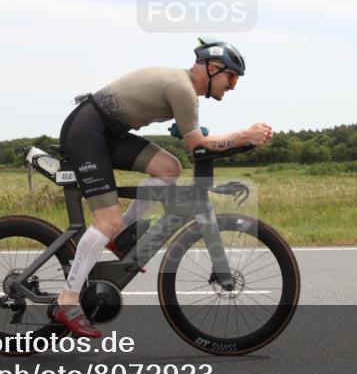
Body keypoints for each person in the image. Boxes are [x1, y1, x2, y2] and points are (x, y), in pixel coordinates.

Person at [53, 38, 273, 338]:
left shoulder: (184, 90)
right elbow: (197, 145)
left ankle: (120, 235)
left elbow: (195, 142)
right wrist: (245, 135)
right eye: (231, 76)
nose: (233, 85)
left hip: (107, 133)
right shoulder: (182, 89)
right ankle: (67, 300)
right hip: (88, 132)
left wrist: (238, 139)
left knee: (169, 168)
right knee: (107, 219)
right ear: (211, 68)